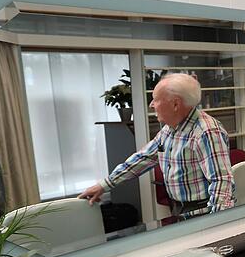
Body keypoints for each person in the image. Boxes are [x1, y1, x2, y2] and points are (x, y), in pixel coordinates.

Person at [79, 73, 234, 215]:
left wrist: (218, 225)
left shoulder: (206, 131)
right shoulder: (170, 128)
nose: (152, 104)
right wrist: (104, 185)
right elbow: (143, 158)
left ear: (175, 104)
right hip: (179, 210)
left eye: (156, 99)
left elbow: (221, 182)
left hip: (202, 212)